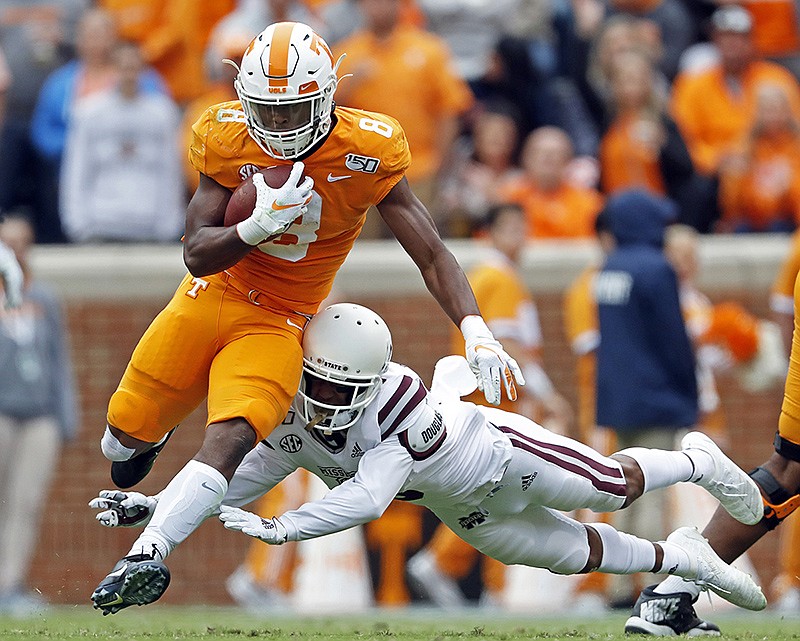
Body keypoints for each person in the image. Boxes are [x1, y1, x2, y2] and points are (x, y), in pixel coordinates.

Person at [88, 21, 523, 616]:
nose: (283, 127)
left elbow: (430, 251)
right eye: (270, 111)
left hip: (283, 320)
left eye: (295, 111)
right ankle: (149, 432)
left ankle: (146, 555)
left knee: (236, 434)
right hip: (211, 295)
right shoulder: (224, 135)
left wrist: (475, 326)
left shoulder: (366, 148)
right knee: (122, 447)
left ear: (325, 98)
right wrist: (254, 228)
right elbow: (195, 251)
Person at [90, 303, 767, 615]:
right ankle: (682, 558)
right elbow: (238, 478)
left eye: (339, 390)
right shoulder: (293, 410)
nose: (324, 401)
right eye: (316, 385)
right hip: (464, 510)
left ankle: (695, 459)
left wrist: (287, 528)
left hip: (500, 458)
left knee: (610, 486)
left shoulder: (398, 404)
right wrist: (156, 508)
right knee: (580, 553)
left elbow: (366, 498)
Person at [623, 236, 800, 635]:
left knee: (788, 471)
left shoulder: (696, 302)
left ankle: (670, 595)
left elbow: (782, 303)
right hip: (671, 416)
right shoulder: (663, 298)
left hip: (694, 414)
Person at [406, 203, 572, 607]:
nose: (520, 237)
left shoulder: (488, 275)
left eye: (523, 228)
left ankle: (464, 571)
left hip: (475, 401)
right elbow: (509, 343)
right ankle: (450, 565)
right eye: (510, 228)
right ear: (490, 233)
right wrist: (547, 394)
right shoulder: (499, 277)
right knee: (507, 487)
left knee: (494, 491)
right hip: (494, 402)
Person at [594, 190, 699, 606]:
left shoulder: (608, 267)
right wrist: (688, 390)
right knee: (653, 488)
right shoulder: (657, 268)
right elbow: (674, 339)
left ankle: (617, 581)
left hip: (618, 398)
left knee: (621, 486)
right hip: (657, 396)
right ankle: (650, 583)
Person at [0, 212, 77, 616]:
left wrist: (67, 417)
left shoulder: (43, 298)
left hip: (39, 416)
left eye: (20, 244)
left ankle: (10, 584)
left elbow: (58, 359)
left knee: (25, 502)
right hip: (2, 412)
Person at [59, 41, 185, 242]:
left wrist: (169, 225)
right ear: (112, 68)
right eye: (123, 67)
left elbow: (170, 171)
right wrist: (76, 224)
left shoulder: (163, 113)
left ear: (143, 70)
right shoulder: (88, 112)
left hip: (149, 226)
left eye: (133, 68)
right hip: (99, 224)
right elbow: (77, 170)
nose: (128, 74)